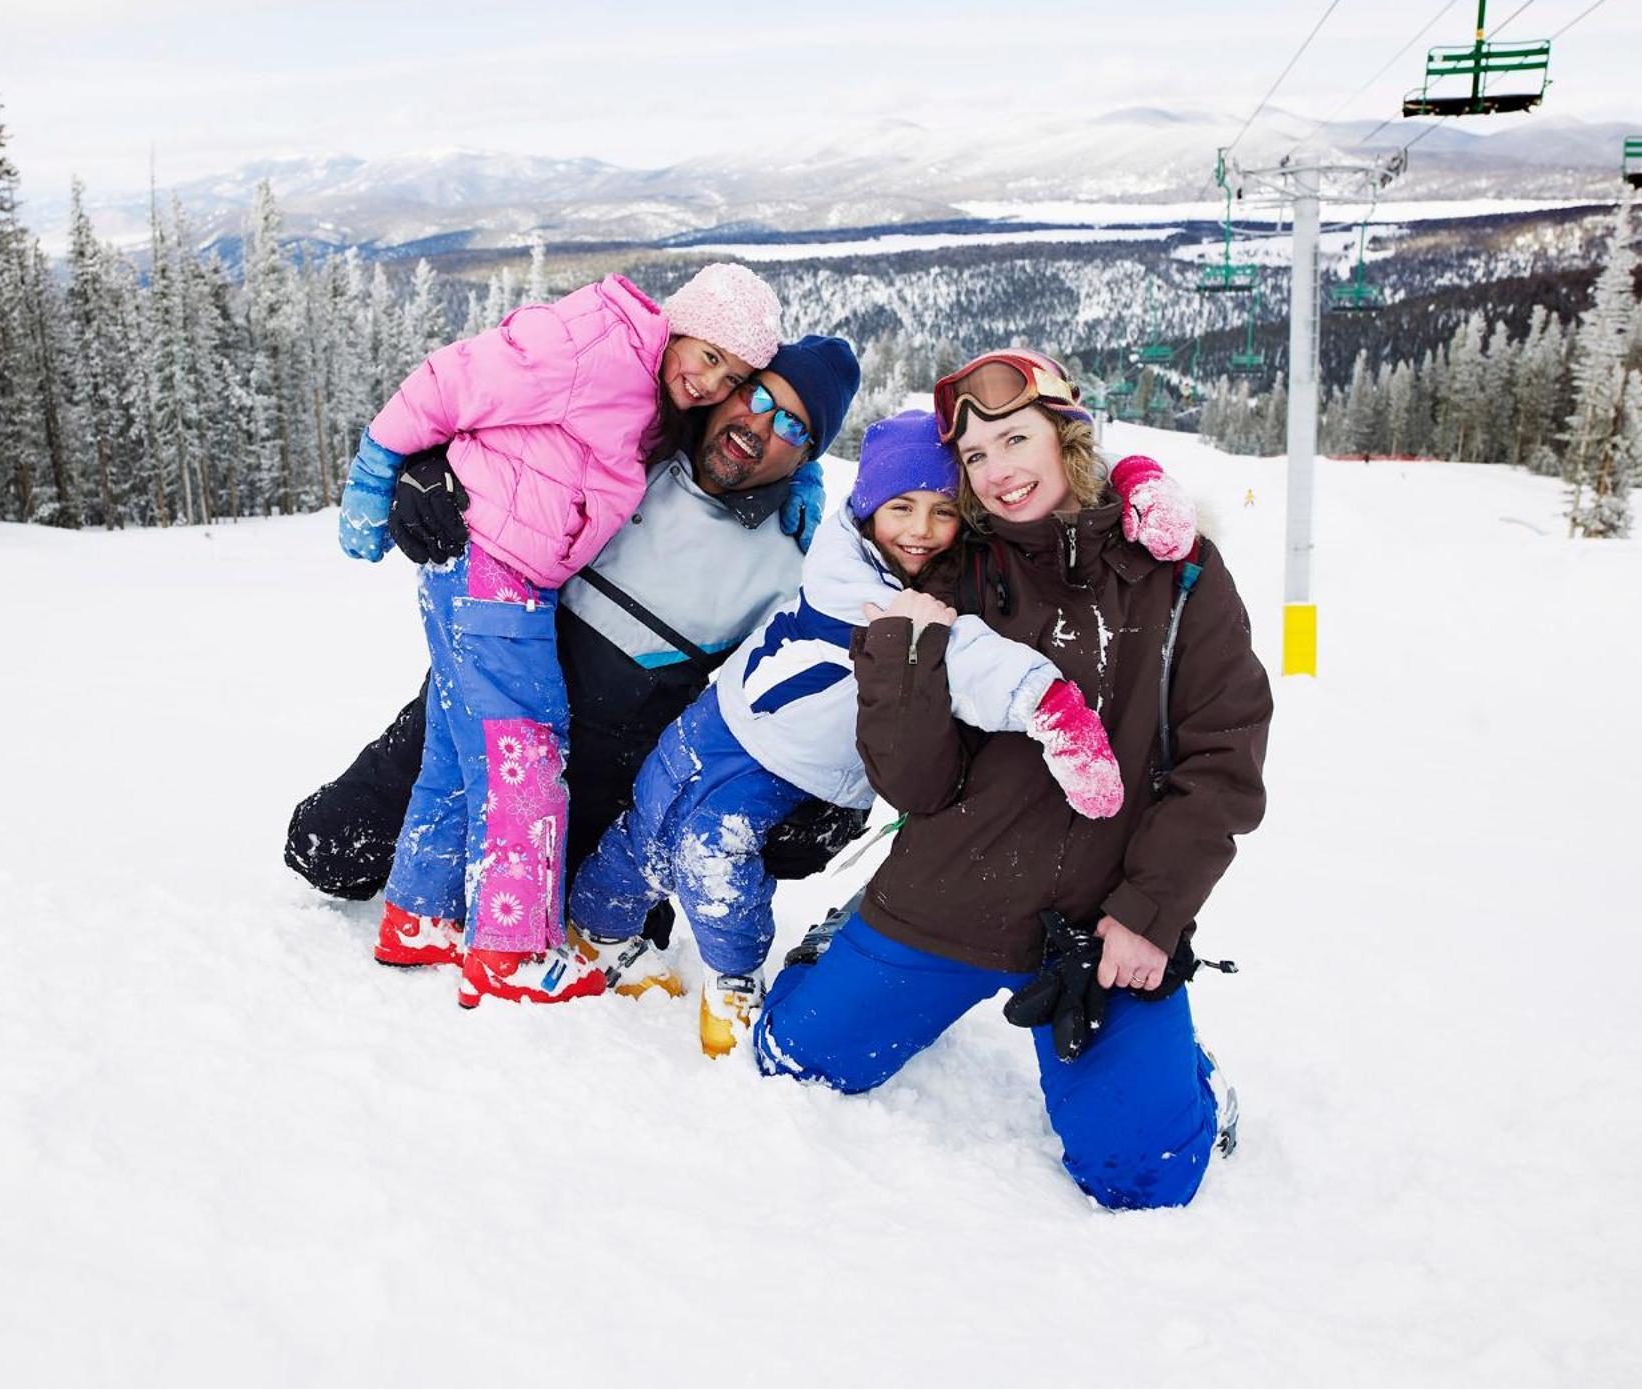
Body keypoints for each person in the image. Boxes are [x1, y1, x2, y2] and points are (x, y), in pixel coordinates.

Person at [753, 347, 1272, 1212]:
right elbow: (914, 786)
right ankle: (843, 942)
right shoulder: (952, 571)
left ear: (1066, 435)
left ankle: (1185, 1073)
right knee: (793, 1061)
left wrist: (1148, 916)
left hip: (1103, 925)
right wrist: (901, 653)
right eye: (976, 456)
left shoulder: (1178, 574)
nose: (997, 472)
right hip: (948, 897)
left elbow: (1224, 758)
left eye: (1015, 439)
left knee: (1146, 1179)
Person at [561, 407, 1140, 1058]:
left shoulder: (933, 594)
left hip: (787, 762)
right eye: (901, 507)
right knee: (648, 821)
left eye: (942, 511)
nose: (920, 529)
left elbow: (974, 657)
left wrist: (1053, 709)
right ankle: (599, 927)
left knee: (711, 852)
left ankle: (731, 978)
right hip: (729, 722)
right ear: (868, 510)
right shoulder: (853, 578)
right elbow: (958, 648)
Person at [284, 352, 867, 939]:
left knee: (569, 926)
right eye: (760, 398)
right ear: (731, 391)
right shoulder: (633, 441)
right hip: (485, 709)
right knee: (324, 851)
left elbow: (796, 695)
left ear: (806, 458)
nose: (761, 426)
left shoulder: (789, 564)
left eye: (794, 426)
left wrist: (822, 799)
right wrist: (435, 468)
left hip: (600, 778)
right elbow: (507, 429)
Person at [335, 262, 790, 1008]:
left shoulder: (650, 390)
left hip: (507, 570)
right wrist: (381, 463)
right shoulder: (596, 342)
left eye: (731, 373)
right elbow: (456, 377)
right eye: (708, 355)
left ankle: (418, 914)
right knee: (526, 754)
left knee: (458, 746)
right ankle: (508, 950)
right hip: (490, 561)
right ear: (681, 321)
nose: (710, 382)